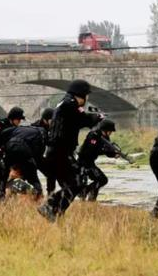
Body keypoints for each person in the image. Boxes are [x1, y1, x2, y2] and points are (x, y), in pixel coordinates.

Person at [37, 79, 103, 222]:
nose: (87, 99)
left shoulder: (65, 103)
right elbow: (83, 120)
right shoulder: (70, 104)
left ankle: (56, 213)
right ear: (81, 94)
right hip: (60, 152)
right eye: (87, 95)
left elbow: (77, 121)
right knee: (77, 184)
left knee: (71, 186)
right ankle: (48, 206)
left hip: (56, 152)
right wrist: (97, 117)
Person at [77, 118, 118, 201]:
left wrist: (114, 154)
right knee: (100, 180)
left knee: (101, 180)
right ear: (104, 130)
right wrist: (103, 150)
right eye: (109, 131)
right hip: (83, 162)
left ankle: (91, 200)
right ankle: (85, 192)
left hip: (90, 162)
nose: (110, 133)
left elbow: (107, 150)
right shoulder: (93, 135)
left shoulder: (105, 137)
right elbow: (92, 149)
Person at [3, 125, 47, 200]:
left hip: (9, 150)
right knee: (33, 179)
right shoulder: (40, 135)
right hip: (23, 152)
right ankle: (38, 195)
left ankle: (5, 199)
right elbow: (38, 158)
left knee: (14, 178)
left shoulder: (20, 129)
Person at [31, 108, 57, 195]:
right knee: (24, 177)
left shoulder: (51, 127)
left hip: (39, 157)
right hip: (29, 158)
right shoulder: (36, 128)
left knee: (51, 173)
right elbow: (49, 141)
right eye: (52, 120)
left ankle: (50, 195)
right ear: (45, 119)